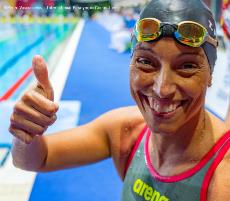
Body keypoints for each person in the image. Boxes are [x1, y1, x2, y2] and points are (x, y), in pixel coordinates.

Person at [9, 0, 230, 200]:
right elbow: (37, 158)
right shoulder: (126, 130)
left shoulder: (223, 177)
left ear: (210, 74)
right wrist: (26, 135)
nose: (162, 89)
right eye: (146, 62)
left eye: (187, 66)